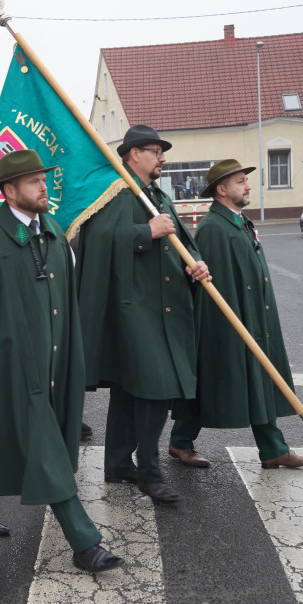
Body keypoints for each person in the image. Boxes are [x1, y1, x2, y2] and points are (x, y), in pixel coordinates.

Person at [0, 149, 124, 574]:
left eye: (44, 179)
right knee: (44, 449)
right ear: (8, 191)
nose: (44, 187)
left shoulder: (53, 232)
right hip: (12, 369)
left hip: (53, 363)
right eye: (34, 181)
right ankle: (84, 543)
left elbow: (66, 302)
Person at [76, 125, 210, 504]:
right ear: (134, 154)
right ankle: (149, 473)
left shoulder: (157, 195)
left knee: (128, 390)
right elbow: (96, 241)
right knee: (155, 390)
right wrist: (144, 232)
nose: (162, 158)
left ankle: (118, 464)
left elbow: (181, 242)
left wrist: (195, 263)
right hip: (133, 312)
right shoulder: (116, 192)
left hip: (163, 310)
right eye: (155, 151)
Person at [169, 160, 303, 469]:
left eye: (245, 181)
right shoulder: (213, 228)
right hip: (230, 322)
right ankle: (181, 441)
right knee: (214, 379)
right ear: (222, 190)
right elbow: (210, 287)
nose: (248, 186)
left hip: (253, 316)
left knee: (257, 376)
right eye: (240, 182)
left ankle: (272, 448)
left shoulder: (238, 221)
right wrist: (228, 328)